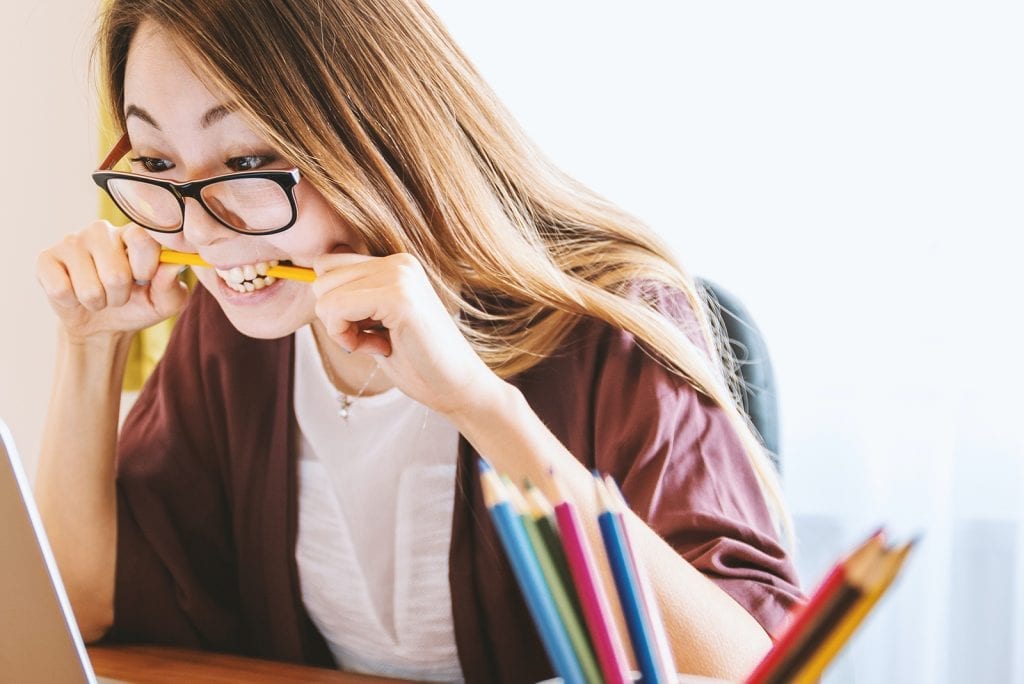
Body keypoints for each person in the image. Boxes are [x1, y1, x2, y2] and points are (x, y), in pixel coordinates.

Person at [34, 1, 802, 681]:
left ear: (378, 135)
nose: (201, 231)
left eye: (248, 161)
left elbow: (748, 667)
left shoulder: (611, 322)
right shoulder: (237, 330)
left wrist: (476, 403)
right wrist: (89, 346)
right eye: (159, 164)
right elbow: (82, 610)